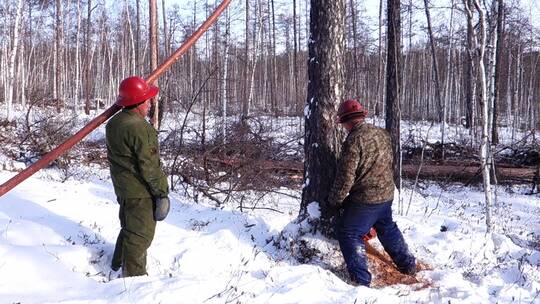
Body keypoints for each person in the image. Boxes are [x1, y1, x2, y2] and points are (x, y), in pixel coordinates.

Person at [327, 99, 416, 287]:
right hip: (386, 194)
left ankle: (361, 281)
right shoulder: (382, 134)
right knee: (387, 227)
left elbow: (345, 177)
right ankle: (408, 265)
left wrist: (334, 201)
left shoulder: (353, 141)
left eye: (342, 123)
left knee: (349, 233)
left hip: (366, 200)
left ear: (346, 121)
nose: (342, 127)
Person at [106, 76, 170, 277]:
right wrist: (161, 192)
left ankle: (116, 264)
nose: (150, 104)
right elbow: (149, 166)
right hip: (140, 192)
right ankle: (134, 281)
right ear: (138, 103)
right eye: (147, 100)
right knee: (139, 236)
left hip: (124, 189)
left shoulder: (114, 123)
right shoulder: (139, 127)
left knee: (128, 227)